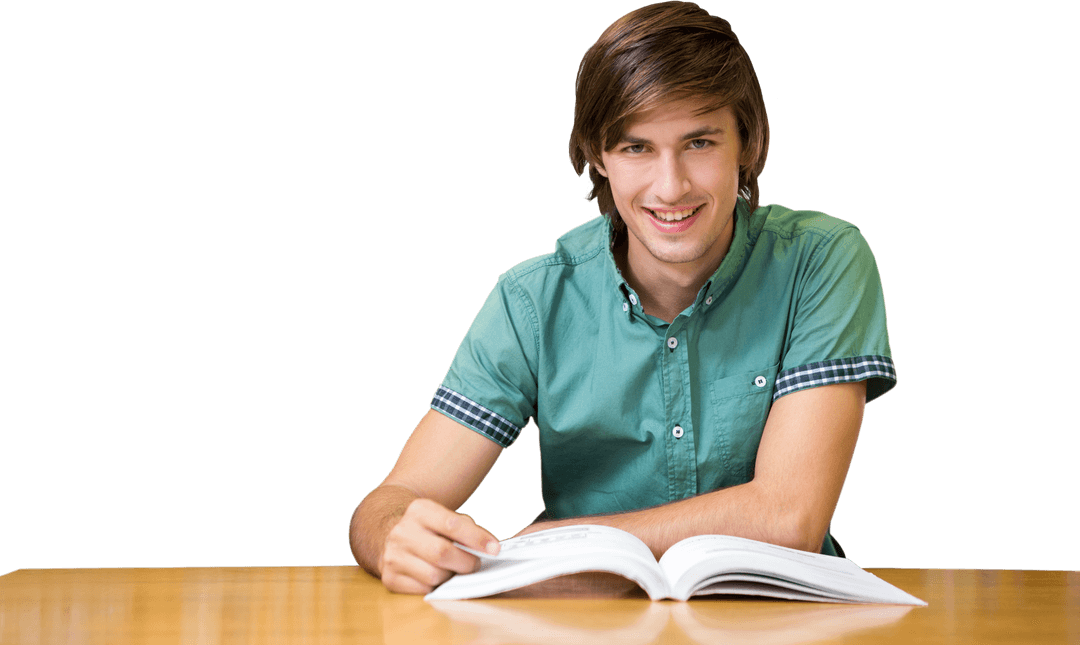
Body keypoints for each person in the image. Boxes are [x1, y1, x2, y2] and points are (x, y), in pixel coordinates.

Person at [349, 0, 896, 595]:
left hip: (781, 620)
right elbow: (392, 500)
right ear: (597, 155)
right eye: (637, 148)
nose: (672, 186)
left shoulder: (821, 260)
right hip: (583, 621)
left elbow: (788, 516)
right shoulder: (531, 301)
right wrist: (395, 538)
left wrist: (554, 540)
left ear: (748, 140)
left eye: (700, 142)